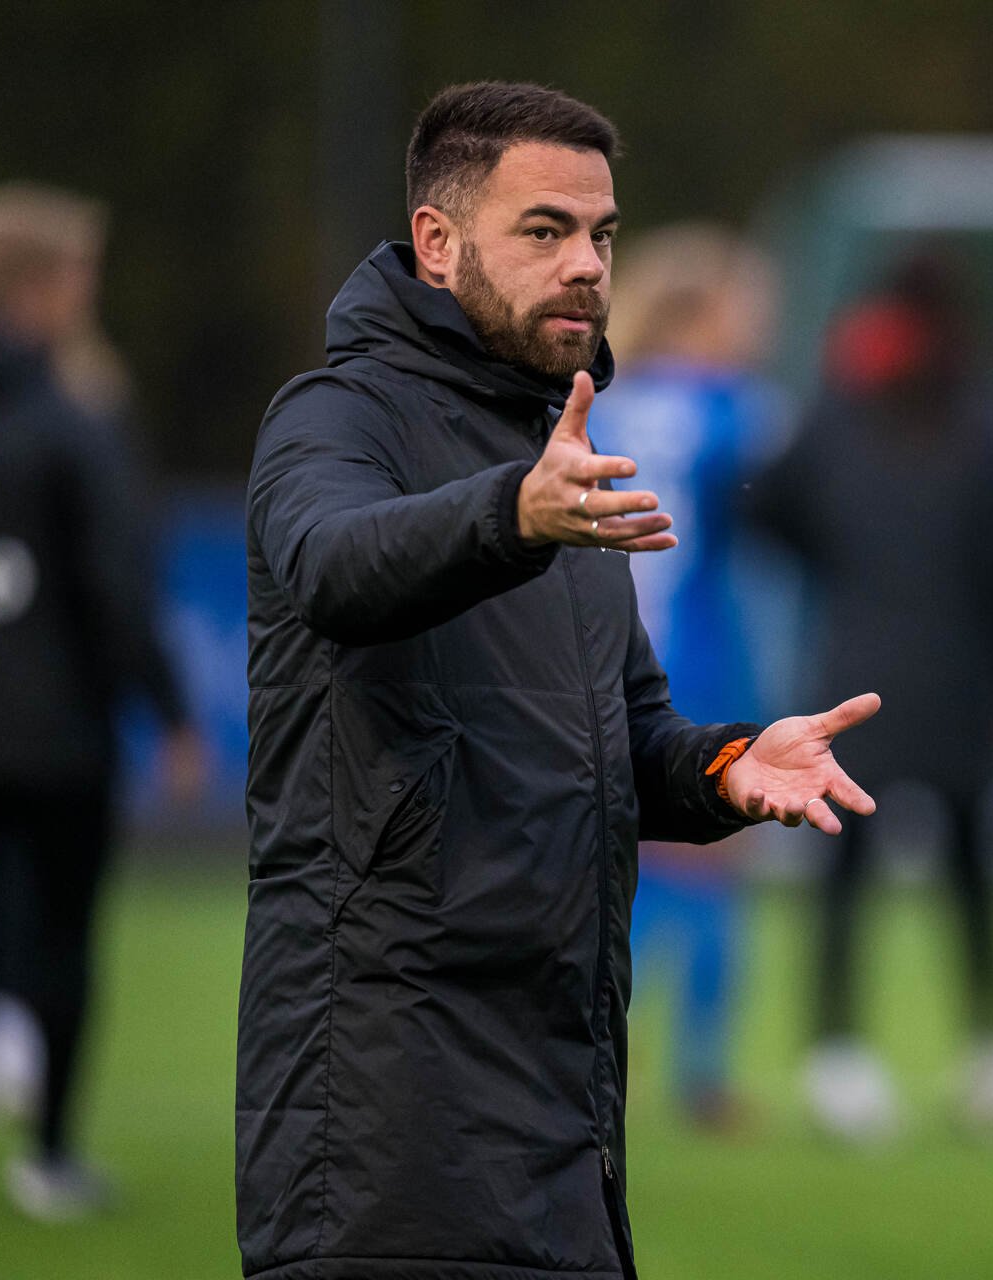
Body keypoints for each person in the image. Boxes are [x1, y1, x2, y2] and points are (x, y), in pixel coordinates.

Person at [237, 82, 877, 1280]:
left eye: (603, 235)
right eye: (544, 230)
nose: (587, 264)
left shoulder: (557, 455)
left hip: (562, 1110)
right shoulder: (336, 414)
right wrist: (510, 514)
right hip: (381, 1119)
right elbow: (334, 566)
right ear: (438, 242)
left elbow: (624, 730)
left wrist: (730, 764)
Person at [747, 250, 993, 1141]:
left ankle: (836, 1056)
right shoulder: (985, 416)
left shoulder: (844, 406)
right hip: (964, 677)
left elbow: (762, 507)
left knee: (843, 867)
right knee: (972, 870)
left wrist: (837, 569)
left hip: (855, 676)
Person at [0, 182, 204, 1218]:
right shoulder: (69, 420)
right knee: (63, 932)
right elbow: (118, 583)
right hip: (55, 728)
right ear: (35, 284)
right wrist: (167, 712)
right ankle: (50, 1152)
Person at [585, 224, 784, 1129]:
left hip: (596, 659)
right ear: (706, 314)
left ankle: (585, 1059)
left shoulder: (603, 401)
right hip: (698, 662)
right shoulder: (737, 410)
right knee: (715, 868)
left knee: (617, 873)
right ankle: (702, 1075)